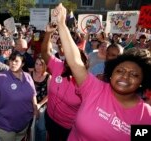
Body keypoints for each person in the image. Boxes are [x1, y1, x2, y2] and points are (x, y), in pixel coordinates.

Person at [53, 3, 151, 141]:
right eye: (120, 70)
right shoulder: (95, 89)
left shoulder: (145, 115)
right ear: (111, 73)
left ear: (143, 81)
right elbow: (75, 62)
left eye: (134, 74)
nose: (125, 75)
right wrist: (62, 25)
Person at [41, 23, 88, 141]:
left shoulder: (86, 82)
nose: (71, 60)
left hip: (67, 128)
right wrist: (48, 34)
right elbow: (45, 53)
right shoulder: (58, 65)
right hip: (49, 118)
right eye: (70, 56)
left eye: (76, 58)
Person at [0, 51, 38, 141]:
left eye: (16, 61)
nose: (13, 63)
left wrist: (35, 109)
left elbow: (33, 94)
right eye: (11, 60)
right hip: (5, 127)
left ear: (22, 64)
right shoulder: (1, 77)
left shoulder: (28, 76)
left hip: (23, 125)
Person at [31, 56, 51, 141]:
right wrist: (34, 105)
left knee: (41, 128)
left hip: (43, 105)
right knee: (32, 127)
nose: (38, 66)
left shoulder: (48, 77)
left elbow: (49, 95)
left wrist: (39, 104)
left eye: (41, 64)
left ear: (44, 66)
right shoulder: (30, 74)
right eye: (36, 64)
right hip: (31, 103)